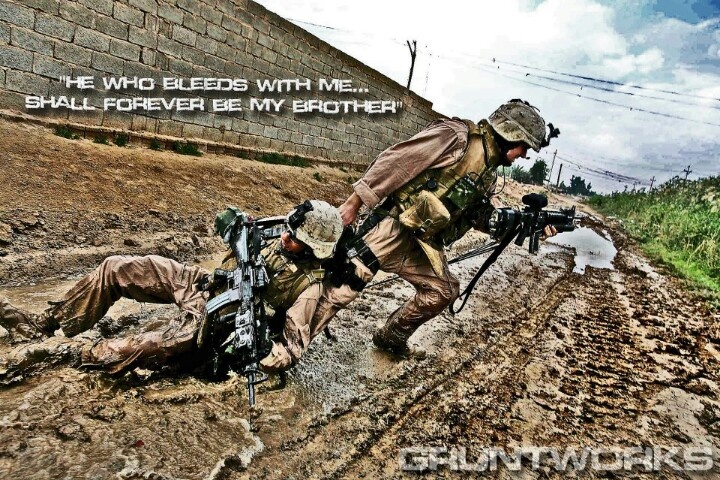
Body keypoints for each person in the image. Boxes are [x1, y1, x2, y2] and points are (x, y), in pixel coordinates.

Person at [0, 200, 344, 379]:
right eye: (287, 229)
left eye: (294, 239)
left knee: (132, 349)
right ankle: (45, 324)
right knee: (116, 267)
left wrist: (264, 349)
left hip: (214, 323)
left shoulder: (308, 288)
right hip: (203, 283)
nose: (284, 236)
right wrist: (232, 225)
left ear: (313, 249)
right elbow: (234, 227)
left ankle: (57, 356)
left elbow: (291, 351)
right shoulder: (281, 229)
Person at [322, 99, 559, 353]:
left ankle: (391, 338)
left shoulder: (489, 174)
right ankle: (291, 345)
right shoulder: (457, 138)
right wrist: (353, 203)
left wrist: (524, 224)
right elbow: (395, 161)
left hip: (423, 242)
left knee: (444, 290)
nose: (524, 155)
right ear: (511, 134)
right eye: (524, 147)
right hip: (393, 226)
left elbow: (478, 217)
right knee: (342, 287)